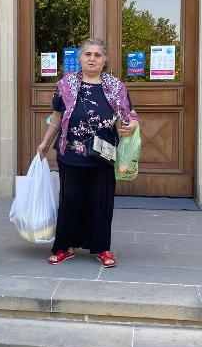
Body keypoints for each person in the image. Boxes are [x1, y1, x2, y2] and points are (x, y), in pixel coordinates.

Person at [37, 38, 138, 268]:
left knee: (101, 202)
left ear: (104, 60)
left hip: (103, 155)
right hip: (71, 152)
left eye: (97, 55)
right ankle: (65, 247)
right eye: (88, 54)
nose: (92, 58)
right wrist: (45, 142)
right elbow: (56, 118)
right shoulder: (65, 85)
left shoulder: (116, 86)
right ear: (80, 58)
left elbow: (130, 116)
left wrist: (132, 125)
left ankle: (102, 248)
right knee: (70, 200)